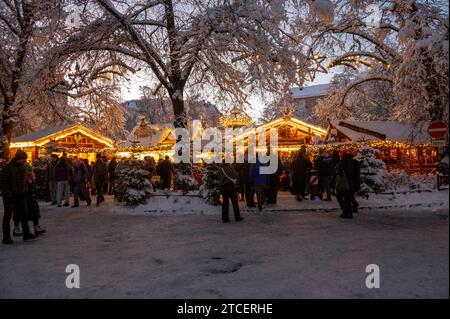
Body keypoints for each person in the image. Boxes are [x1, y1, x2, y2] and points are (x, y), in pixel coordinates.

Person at [0, 150, 38, 244]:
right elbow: (3, 182)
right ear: (18, 159)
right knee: (8, 216)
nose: (25, 160)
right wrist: (8, 193)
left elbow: (24, 180)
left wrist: (25, 190)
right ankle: (6, 237)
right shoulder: (8, 168)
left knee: (24, 215)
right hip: (10, 196)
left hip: (21, 194)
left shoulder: (23, 167)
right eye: (23, 159)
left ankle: (26, 233)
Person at [335, 153, 361, 219]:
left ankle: (346, 211)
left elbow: (338, 173)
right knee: (348, 198)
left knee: (340, 197)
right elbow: (357, 175)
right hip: (351, 184)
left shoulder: (342, 164)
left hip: (343, 184)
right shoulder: (355, 163)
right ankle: (350, 211)